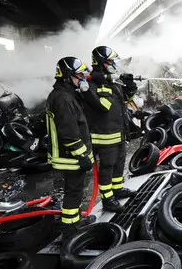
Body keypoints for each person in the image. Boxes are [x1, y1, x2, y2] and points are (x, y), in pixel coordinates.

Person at [79, 46, 137, 212]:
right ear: (101, 62)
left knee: (119, 165)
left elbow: (125, 99)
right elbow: (103, 105)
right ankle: (108, 199)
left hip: (118, 133)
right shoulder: (89, 84)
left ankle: (117, 189)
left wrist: (130, 86)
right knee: (107, 168)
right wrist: (105, 82)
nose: (114, 64)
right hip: (104, 136)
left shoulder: (111, 82)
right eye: (111, 61)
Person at [46, 56, 96, 240]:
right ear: (67, 76)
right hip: (70, 156)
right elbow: (69, 131)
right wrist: (82, 155)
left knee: (75, 190)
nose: (82, 79)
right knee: (74, 191)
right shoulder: (62, 99)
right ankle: (69, 230)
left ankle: (73, 222)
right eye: (79, 75)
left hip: (71, 154)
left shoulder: (66, 95)